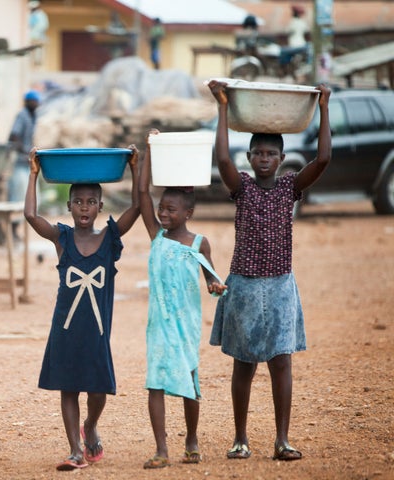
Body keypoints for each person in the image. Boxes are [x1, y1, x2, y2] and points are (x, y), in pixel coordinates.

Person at [206, 79, 331, 462]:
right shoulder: (240, 187)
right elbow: (222, 159)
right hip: (243, 284)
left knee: (281, 362)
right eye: (257, 152)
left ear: (281, 159)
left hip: (279, 285)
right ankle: (240, 438)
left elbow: (323, 159)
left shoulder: (291, 187)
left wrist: (324, 105)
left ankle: (282, 439)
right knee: (244, 364)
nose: (263, 158)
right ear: (249, 158)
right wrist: (223, 106)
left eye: (270, 153)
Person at [24, 145, 140, 471]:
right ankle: (75, 450)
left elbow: (136, 206)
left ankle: (89, 426)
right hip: (65, 328)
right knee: (68, 385)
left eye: (91, 202)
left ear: (101, 206)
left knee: (98, 387)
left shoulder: (110, 238)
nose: (84, 207)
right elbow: (31, 216)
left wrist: (135, 165)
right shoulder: (62, 238)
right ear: (69, 206)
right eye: (78, 202)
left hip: (98, 329)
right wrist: (34, 172)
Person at [138, 130, 228, 469]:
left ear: (188, 212)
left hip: (186, 324)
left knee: (190, 379)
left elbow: (211, 278)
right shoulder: (156, 236)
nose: (163, 213)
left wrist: (216, 286)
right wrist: (148, 150)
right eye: (162, 208)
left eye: (171, 210)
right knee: (155, 384)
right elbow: (142, 193)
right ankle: (162, 448)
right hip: (159, 324)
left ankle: (191, 439)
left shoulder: (198, 243)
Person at [8, 89, 41, 239]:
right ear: (27, 102)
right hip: (21, 163)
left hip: (29, 164)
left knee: (32, 198)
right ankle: (13, 231)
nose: (35, 104)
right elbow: (13, 137)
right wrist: (27, 151)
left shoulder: (34, 116)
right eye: (33, 101)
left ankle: (20, 231)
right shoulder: (22, 116)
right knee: (18, 197)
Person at [28, 0, 49, 66]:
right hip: (32, 37)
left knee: (39, 53)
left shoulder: (40, 15)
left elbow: (43, 26)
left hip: (38, 37)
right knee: (31, 54)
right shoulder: (30, 14)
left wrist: (37, 33)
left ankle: (38, 65)